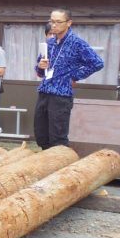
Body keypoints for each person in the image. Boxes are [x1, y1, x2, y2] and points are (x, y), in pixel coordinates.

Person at [34, 9, 104, 148]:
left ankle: (60, 164)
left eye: (58, 22)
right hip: (44, 91)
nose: (54, 25)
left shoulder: (77, 43)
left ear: (69, 23)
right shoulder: (50, 43)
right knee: (41, 134)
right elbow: (40, 72)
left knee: (57, 136)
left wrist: (74, 76)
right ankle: (47, 163)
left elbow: (97, 63)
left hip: (61, 94)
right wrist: (41, 66)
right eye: (52, 21)